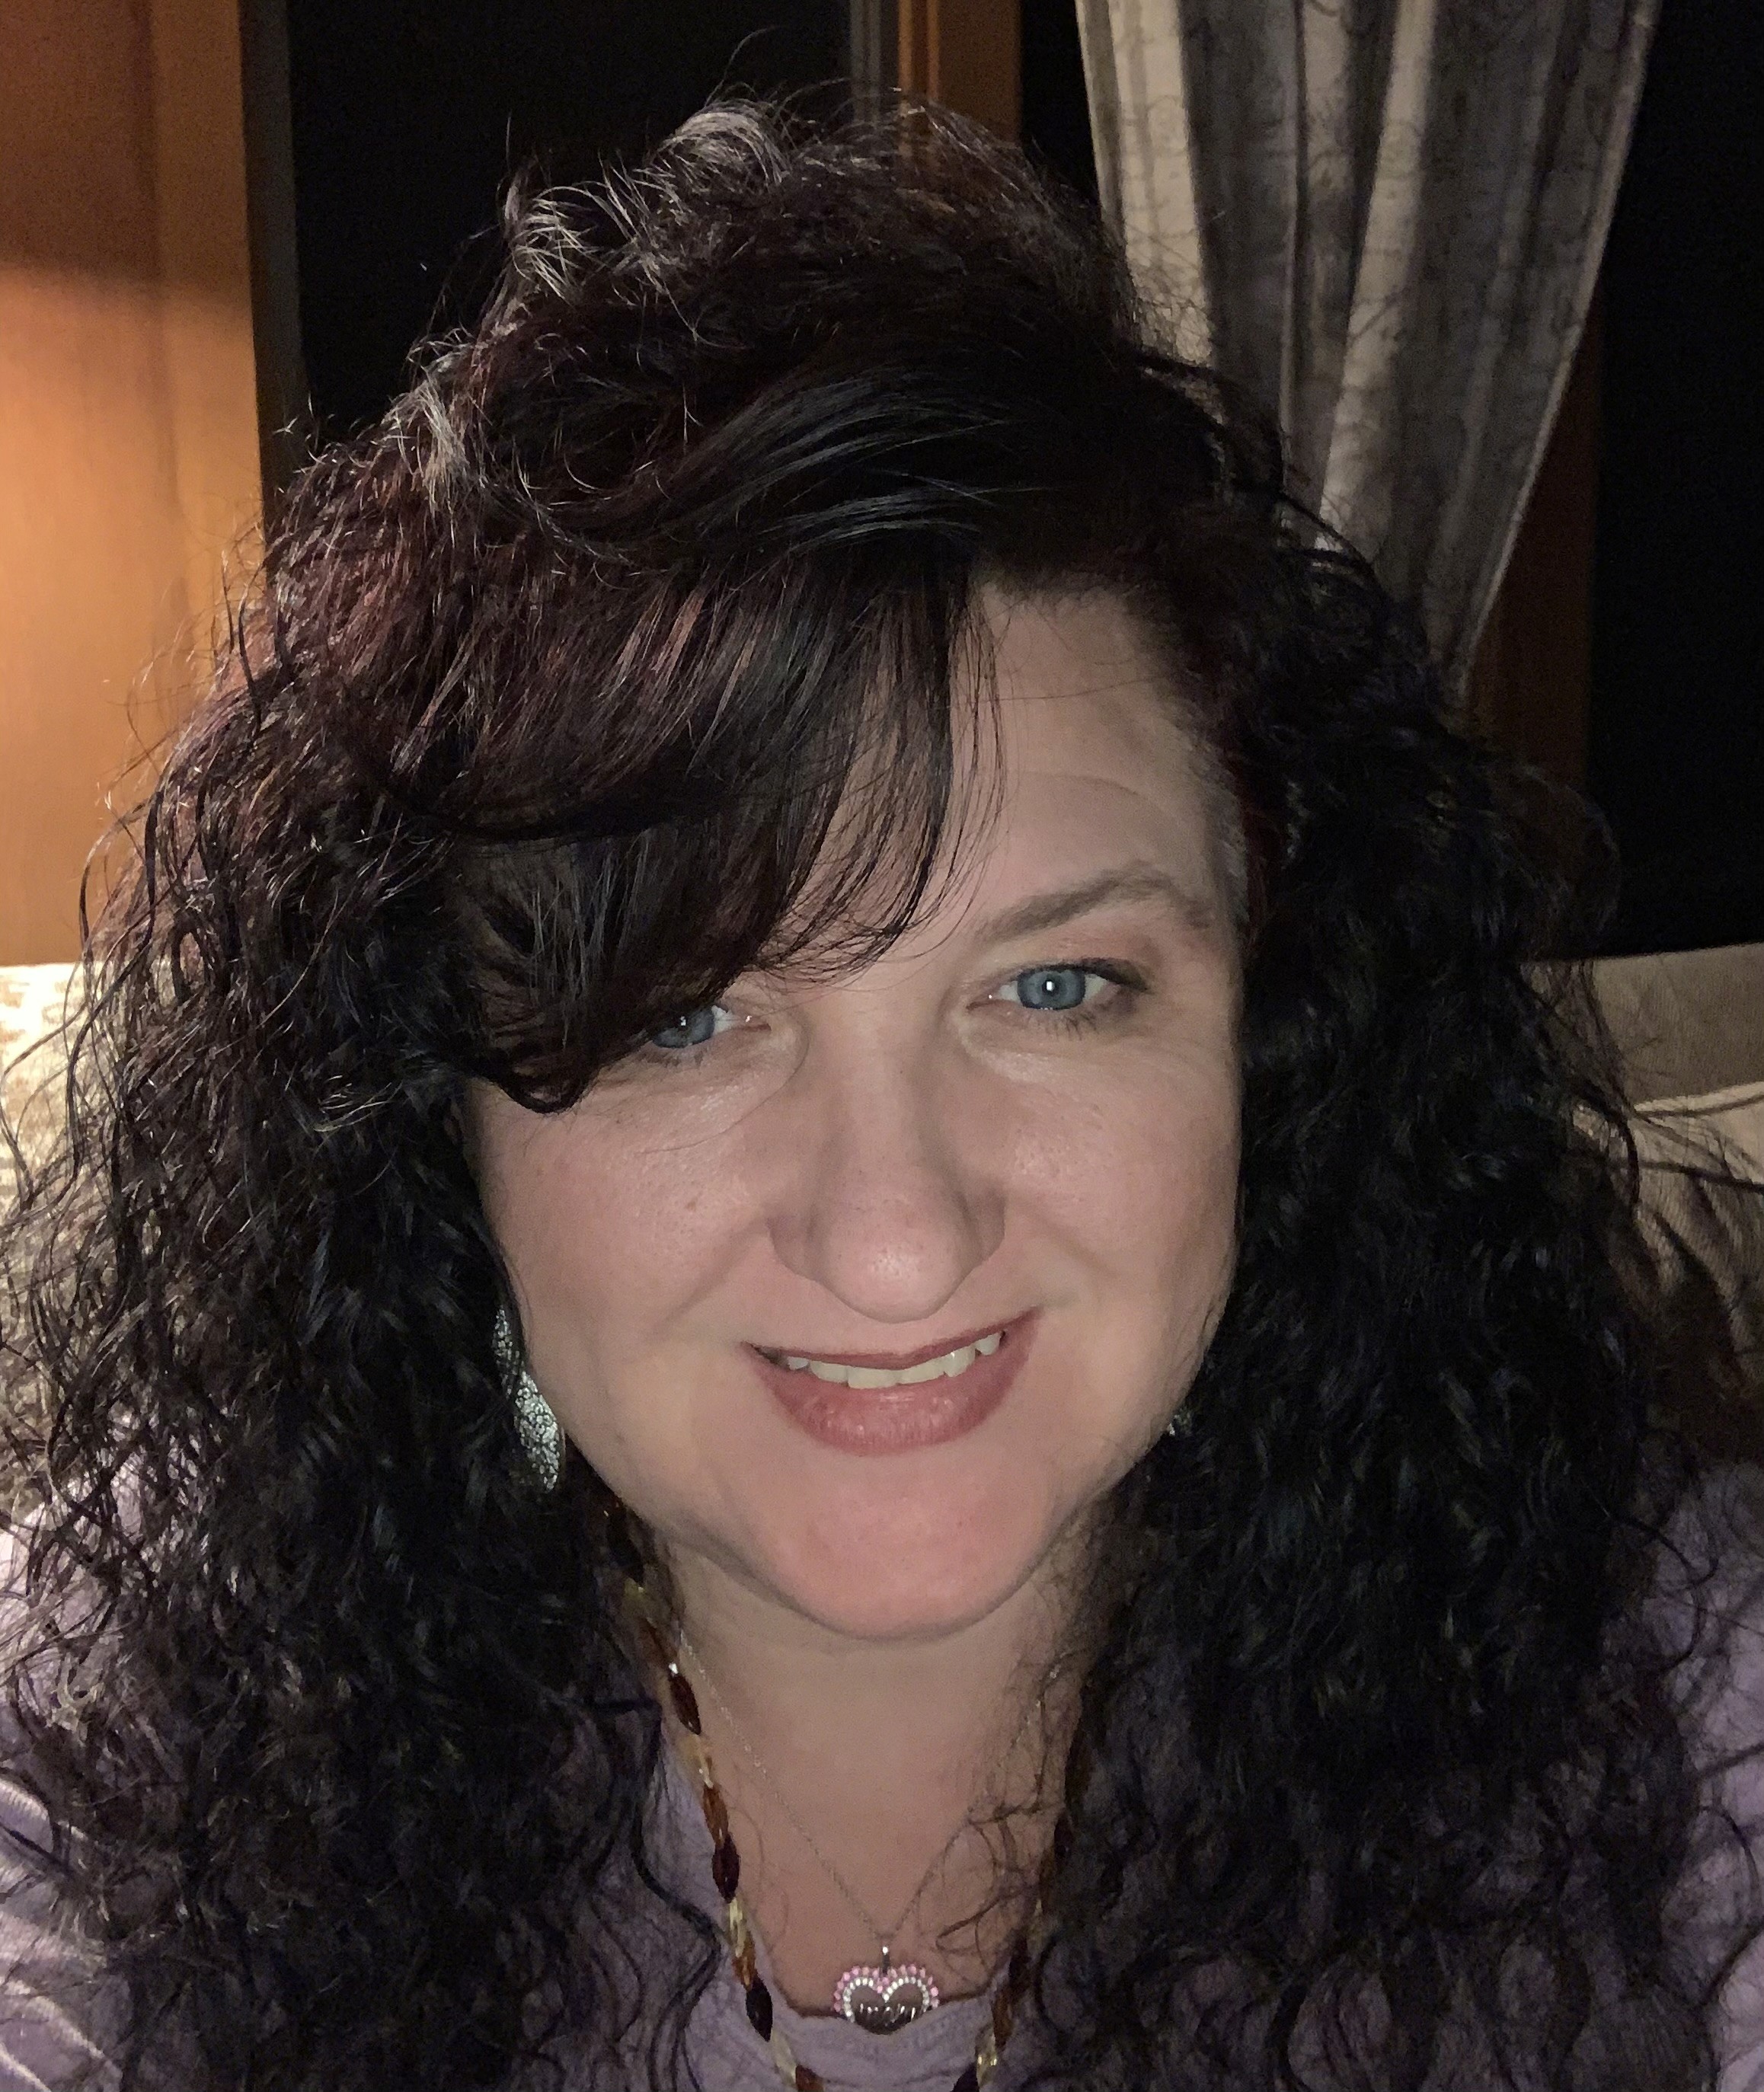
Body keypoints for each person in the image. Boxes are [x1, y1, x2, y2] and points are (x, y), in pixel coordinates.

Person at [2, 103, 1762, 2092]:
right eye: (686, 1016)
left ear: (1271, 1030)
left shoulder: (1663, 1687)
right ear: (432, 1097)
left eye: (1054, 986)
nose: (898, 1240)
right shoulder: (133, 1724)